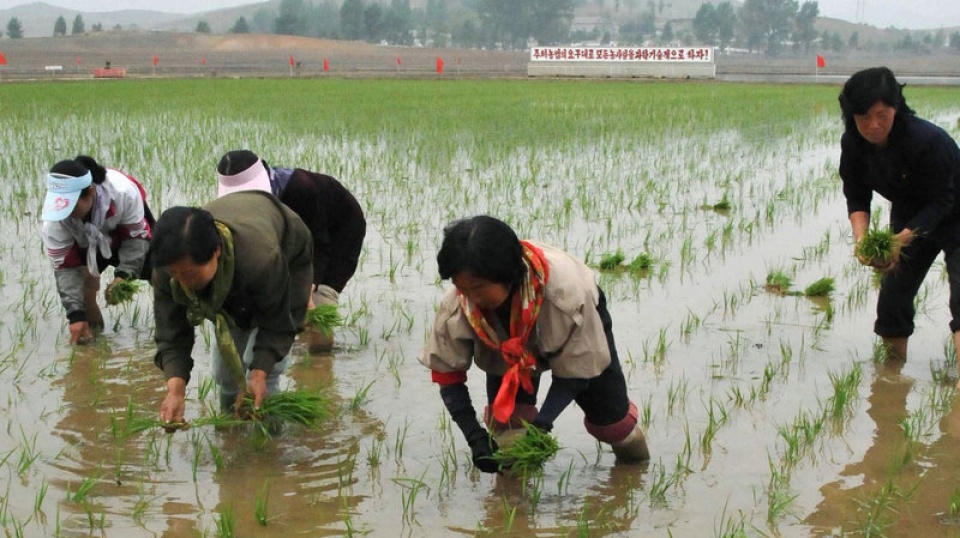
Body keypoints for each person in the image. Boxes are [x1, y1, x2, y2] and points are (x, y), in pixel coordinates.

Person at [419, 215, 649, 473]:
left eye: (479, 288)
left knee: (615, 426)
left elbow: (576, 372)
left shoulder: (569, 297)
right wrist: (475, 436)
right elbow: (447, 374)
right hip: (506, 347)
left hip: (577, 322)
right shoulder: (459, 305)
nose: (470, 298)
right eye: (462, 288)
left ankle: (637, 476)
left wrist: (542, 426)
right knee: (509, 432)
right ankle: (513, 496)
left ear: (507, 276)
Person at [838, 67, 960, 379]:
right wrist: (862, 241)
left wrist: (900, 239)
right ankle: (891, 377)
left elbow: (942, 201)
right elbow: (856, 193)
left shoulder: (928, 141)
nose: (873, 125)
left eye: (881, 115)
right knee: (893, 298)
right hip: (910, 213)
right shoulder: (853, 144)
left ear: (896, 108)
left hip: (955, 210)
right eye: (863, 117)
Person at [150, 191, 313, 424]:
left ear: (216, 251)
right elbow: (171, 332)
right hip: (237, 271)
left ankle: (270, 439)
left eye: (190, 274)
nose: (182, 282)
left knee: (263, 374)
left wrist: (259, 371)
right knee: (224, 375)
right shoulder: (168, 268)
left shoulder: (261, 260)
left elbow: (278, 323)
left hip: (288, 255)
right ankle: (230, 428)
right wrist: (175, 389)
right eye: (174, 274)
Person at [216, 150, 366, 352]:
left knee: (320, 300)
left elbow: (319, 245)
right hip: (293, 233)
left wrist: (308, 293)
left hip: (338, 232)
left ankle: (320, 358)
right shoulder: (236, 206)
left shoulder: (301, 189)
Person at [40, 155, 154, 345]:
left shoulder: (123, 193)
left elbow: (136, 239)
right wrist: (75, 316)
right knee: (85, 289)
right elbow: (66, 270)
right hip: (84, 239)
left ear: (91, 192)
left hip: (125, 232)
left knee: (161, 272)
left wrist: (124, 275)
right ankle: (94, 346)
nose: (65, 213)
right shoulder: (55, 220)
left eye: (71, 205)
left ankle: (171, 333)